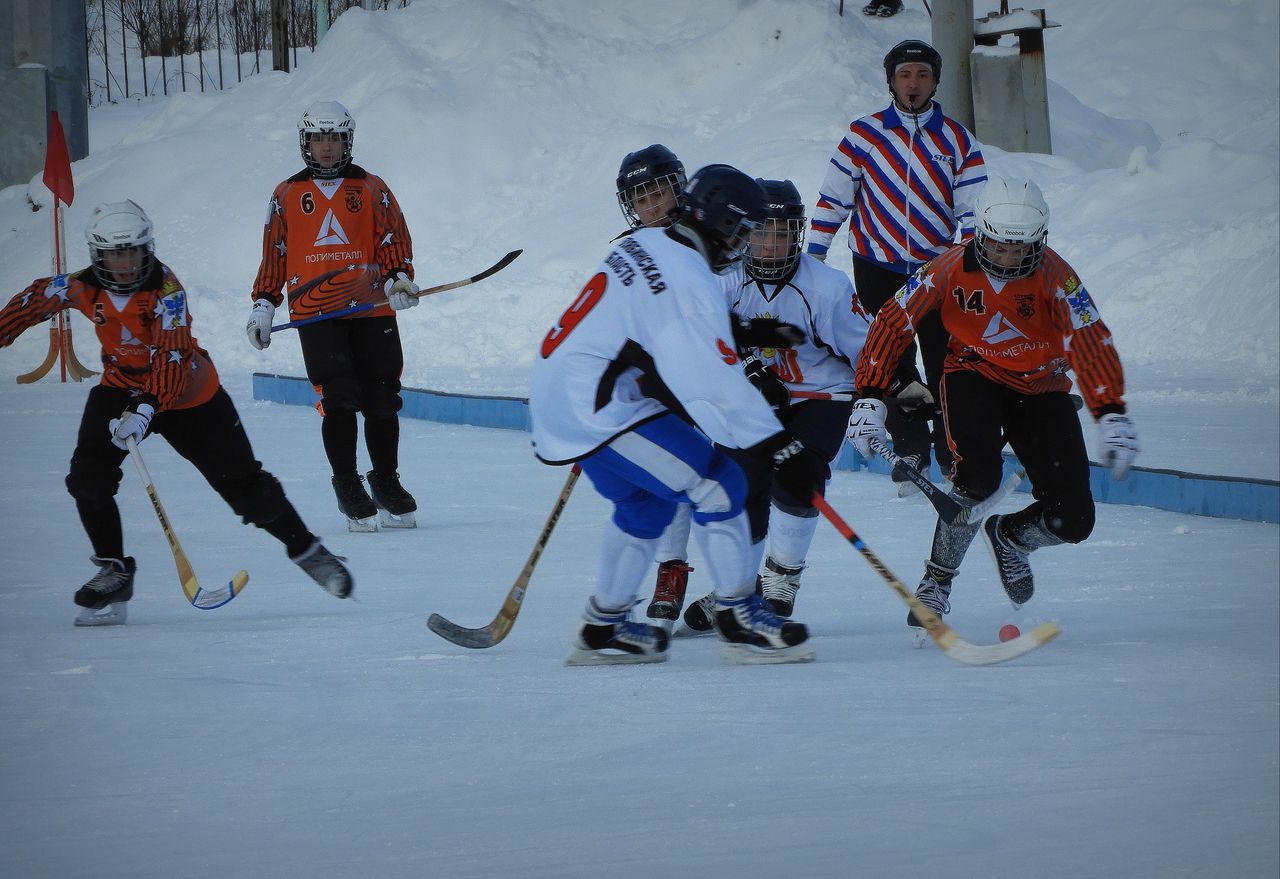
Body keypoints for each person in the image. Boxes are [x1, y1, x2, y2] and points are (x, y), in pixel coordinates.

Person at [0, 200, 354, 626]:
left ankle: (308, 551)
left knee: (246, 488)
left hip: (190, 395)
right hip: (120, 387)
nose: (127, 263)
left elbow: (171, 356)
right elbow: (34, 299)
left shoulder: (166, 290)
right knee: (88, 478)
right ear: (98, 255)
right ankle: (113, 570)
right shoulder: (79, 286)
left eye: (133, 251)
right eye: (116, 253)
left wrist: (147, 408)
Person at [529, 165, 827, 665]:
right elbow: (709, 382)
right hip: (600, 406)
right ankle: (739, 617)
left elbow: (664, 314)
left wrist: (742, 331)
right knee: (719, 483)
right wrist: (780, 445)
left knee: (646, 507)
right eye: (741, 231)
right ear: (719, 224)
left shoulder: (650, 243)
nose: (743, 245)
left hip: (566, 394)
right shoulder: (689, 281)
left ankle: (602, 630)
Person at [846, 177, 1139, 642]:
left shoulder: (1057, 278)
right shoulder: (948, 266)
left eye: (1020, 249)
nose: (1007, 258)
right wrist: (870, 395)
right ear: (980, 234)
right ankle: (937, 581)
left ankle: (1011, 537)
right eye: (998, 246)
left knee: (1075, 519)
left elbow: (1090, 338)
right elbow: (894, 317)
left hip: (1041, 388)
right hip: (972, 374)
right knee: (975, 479)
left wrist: (1111, 409)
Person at [680, 179, 869, 629]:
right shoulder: (724, 278)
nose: (769, 244)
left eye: (781, 233)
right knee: (738, 487)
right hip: (751, 403)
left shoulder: (826, 287)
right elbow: (700, 337)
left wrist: (883, 397)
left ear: (797, 235)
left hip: (821, 396)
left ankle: (782, 575)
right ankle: (742, 588)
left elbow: (871, 352)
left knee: (796, 475)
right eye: (761, 232)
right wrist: (748, 370)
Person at [809, 40, 986, 496]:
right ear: (891, 80)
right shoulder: (863, 135)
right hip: (877, 266)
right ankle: (911, 450)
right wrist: (813, 254)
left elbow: (974, 208)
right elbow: (834, 197)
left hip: (938, 271)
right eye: (905, 74)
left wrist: (969, 258)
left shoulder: (957, 138)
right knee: (893, 363)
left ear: (935, 82)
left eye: (923, 75)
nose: (914, 83)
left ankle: (953, 454)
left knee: (948, 361)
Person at [246, 100, 421, 532]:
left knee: (382, 396)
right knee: (340, 395)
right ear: (305, 142)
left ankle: (385, 481)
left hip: (370, 305)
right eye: (318, 139)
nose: (327, 148)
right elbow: (275, 253)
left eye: (335, 138)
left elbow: (393, 238)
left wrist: (399, 278)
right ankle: (347, 484)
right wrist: (264, 303)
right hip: (315, 310)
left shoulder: (373, 186)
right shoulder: (285, 194)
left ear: (348, 140)